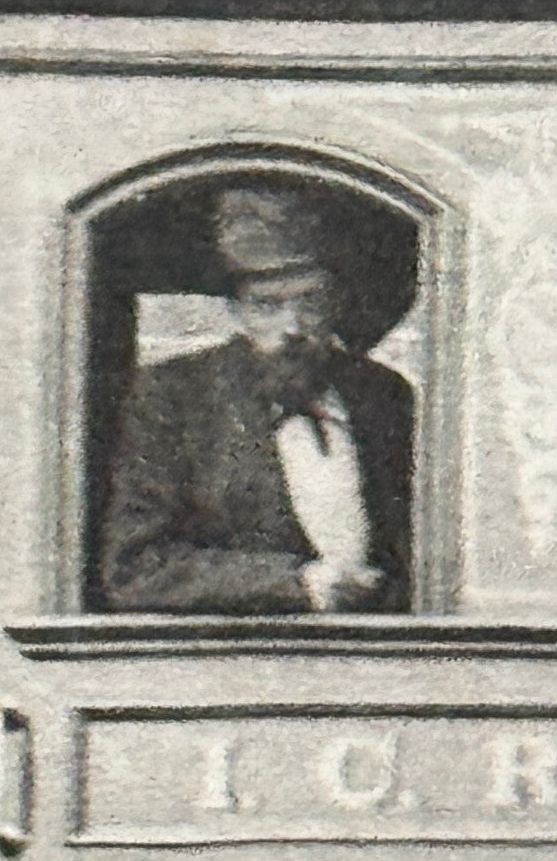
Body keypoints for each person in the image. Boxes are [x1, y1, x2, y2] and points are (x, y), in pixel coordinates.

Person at [99, 182, 414, 614]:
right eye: (267, 305)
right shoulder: (177, 396)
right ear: (237, 311)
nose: (292, 326)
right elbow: (136, 568)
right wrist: (296, 585)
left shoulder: (383, 396)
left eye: (311, 301)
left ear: (337, 302)